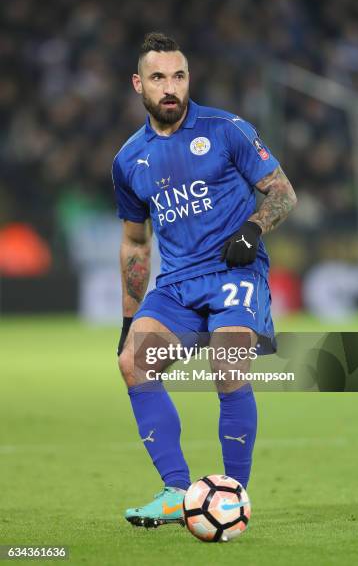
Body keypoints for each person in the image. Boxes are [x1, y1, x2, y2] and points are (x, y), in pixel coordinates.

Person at [112, 32, 297, 528]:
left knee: (226, 360)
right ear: (138, 85)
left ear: (188, 78)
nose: (170, 87)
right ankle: (176, 491)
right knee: (133, 362)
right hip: (176, 285)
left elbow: (282, 193)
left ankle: (233, 495)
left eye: (178, 75)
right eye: (158, 78)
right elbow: (135, 242)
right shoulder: (129, 159)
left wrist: (253, 229)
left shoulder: (227, 128)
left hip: (235, 274)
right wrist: (130, 318)